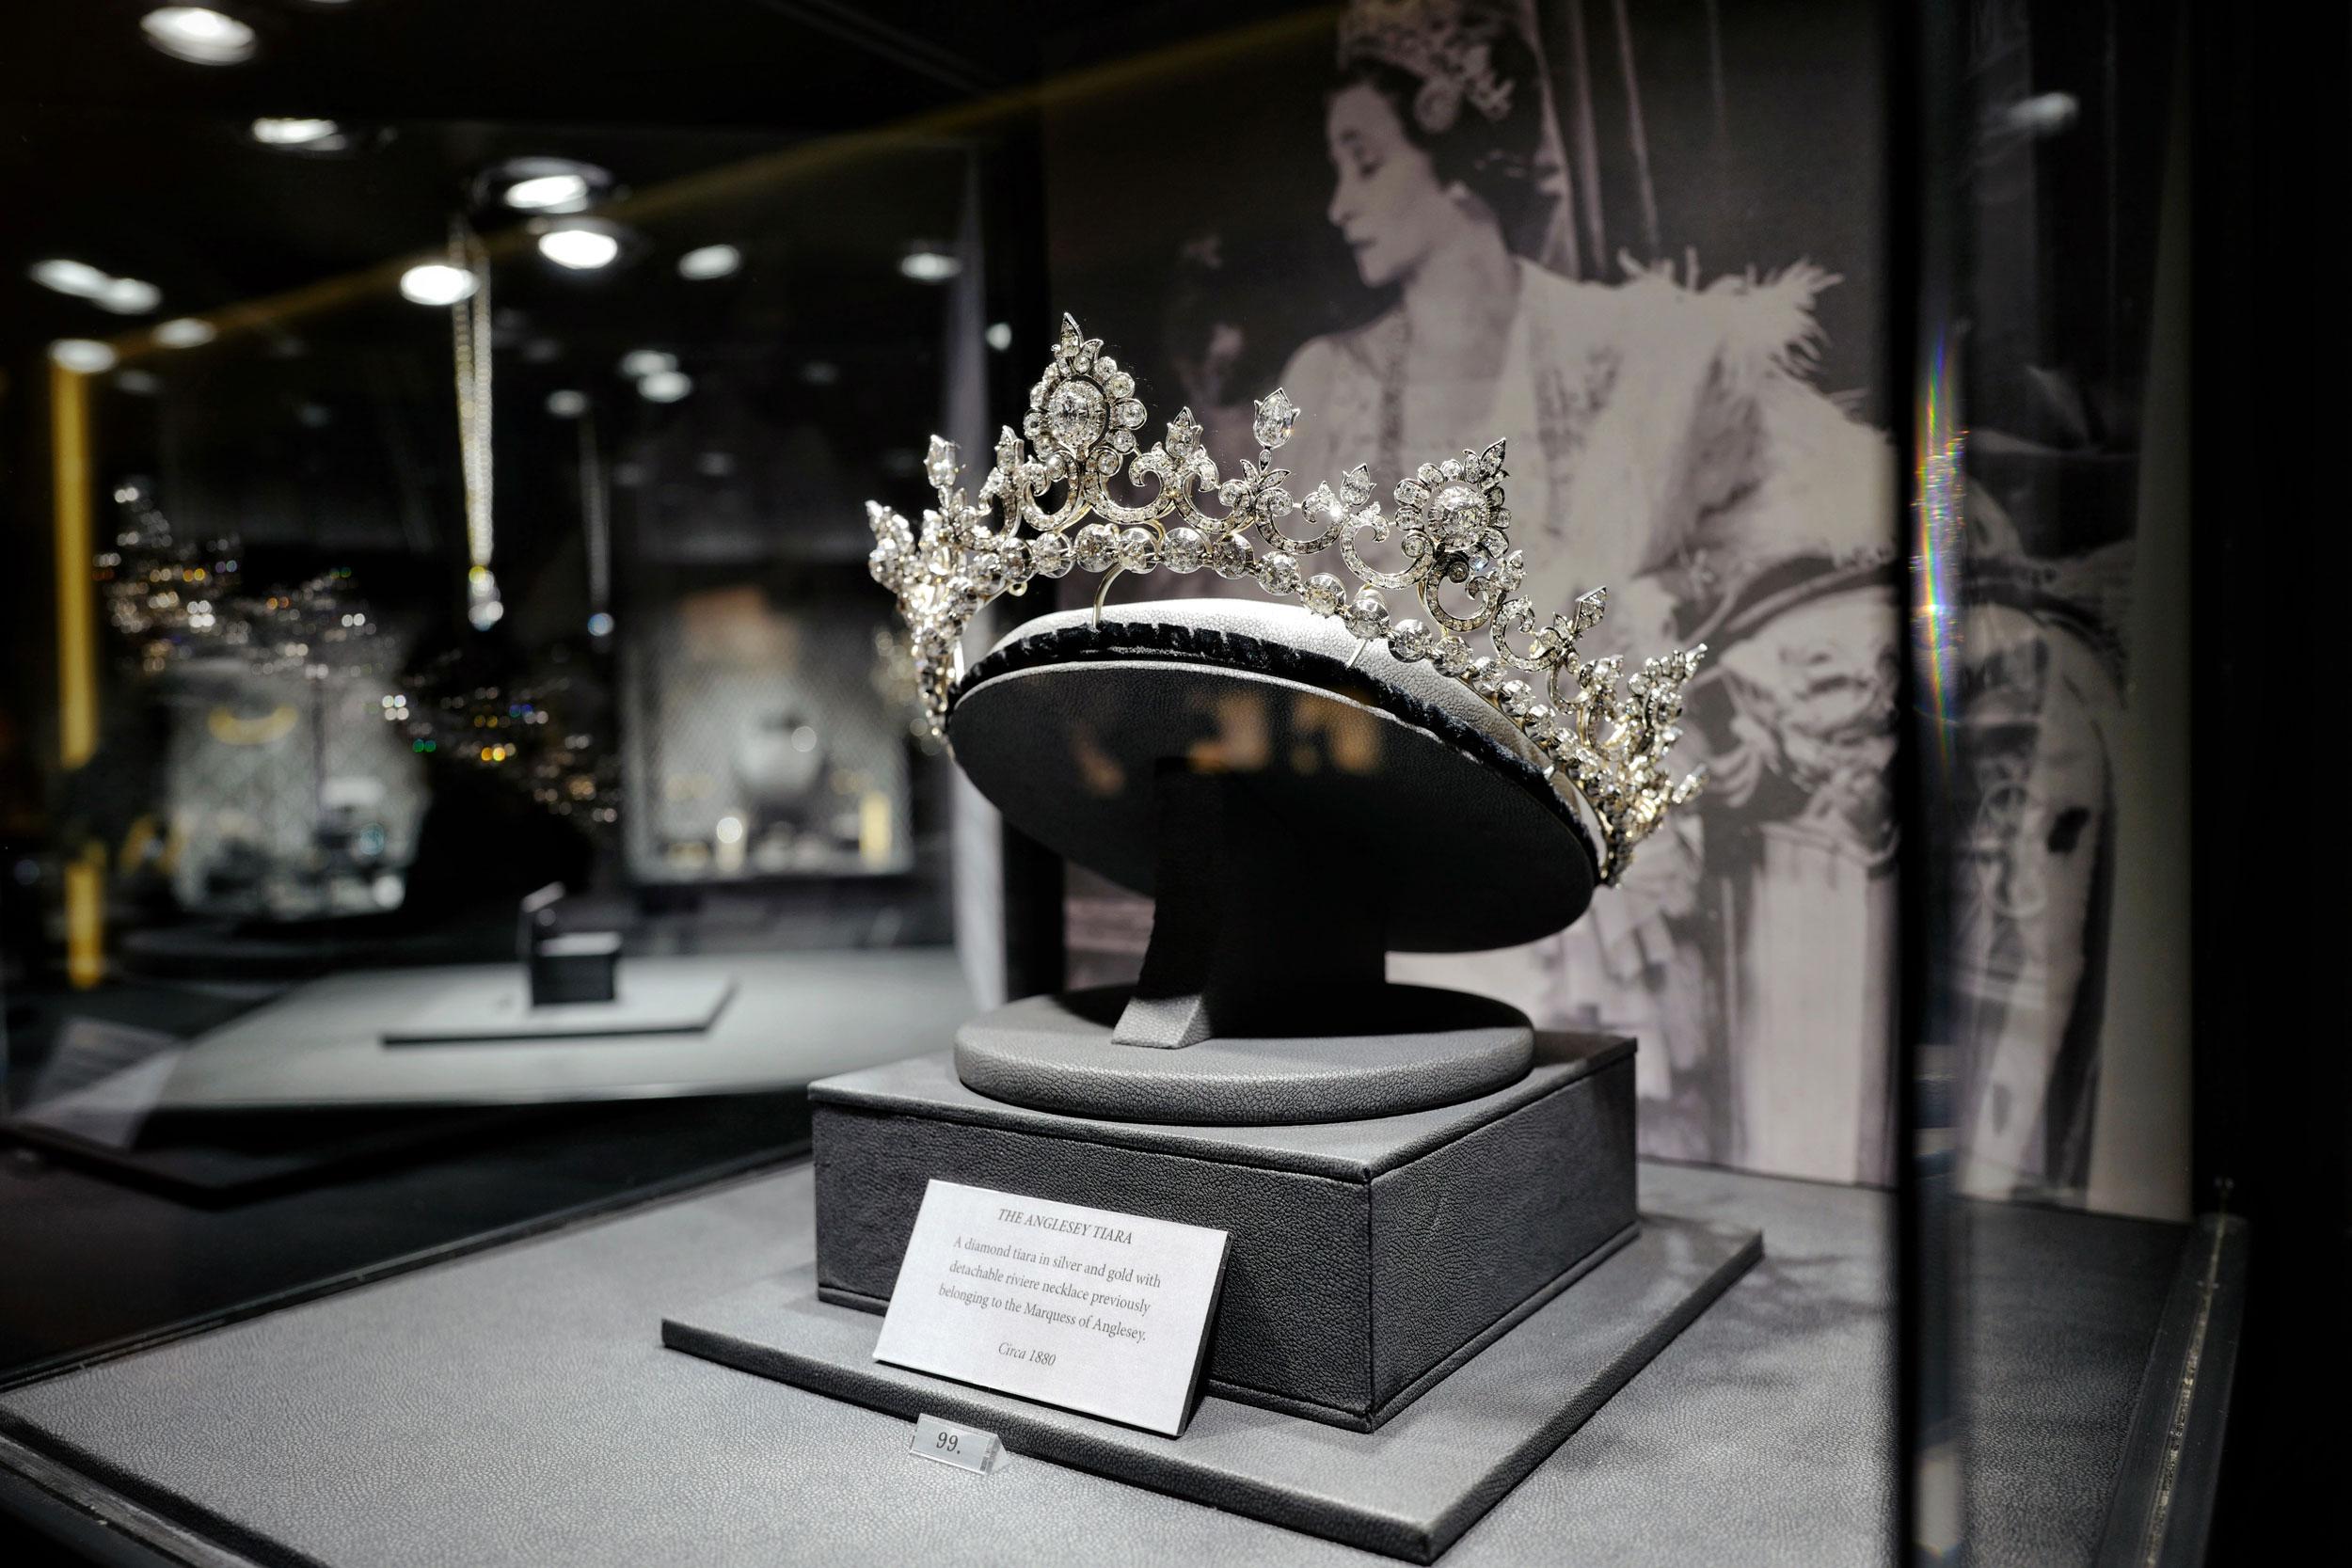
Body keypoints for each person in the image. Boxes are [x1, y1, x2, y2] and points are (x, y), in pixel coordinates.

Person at [1272, 0, 1901, 1175]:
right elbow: (1289, 627)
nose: (1339, 202)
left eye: (1364, 160)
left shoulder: (1633, 350)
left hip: (1586, 808)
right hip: (1397, 814)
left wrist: (1666, 650)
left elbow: (1792, 529)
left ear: (1454, 159)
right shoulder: (1330, 385)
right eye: (1335, 166)